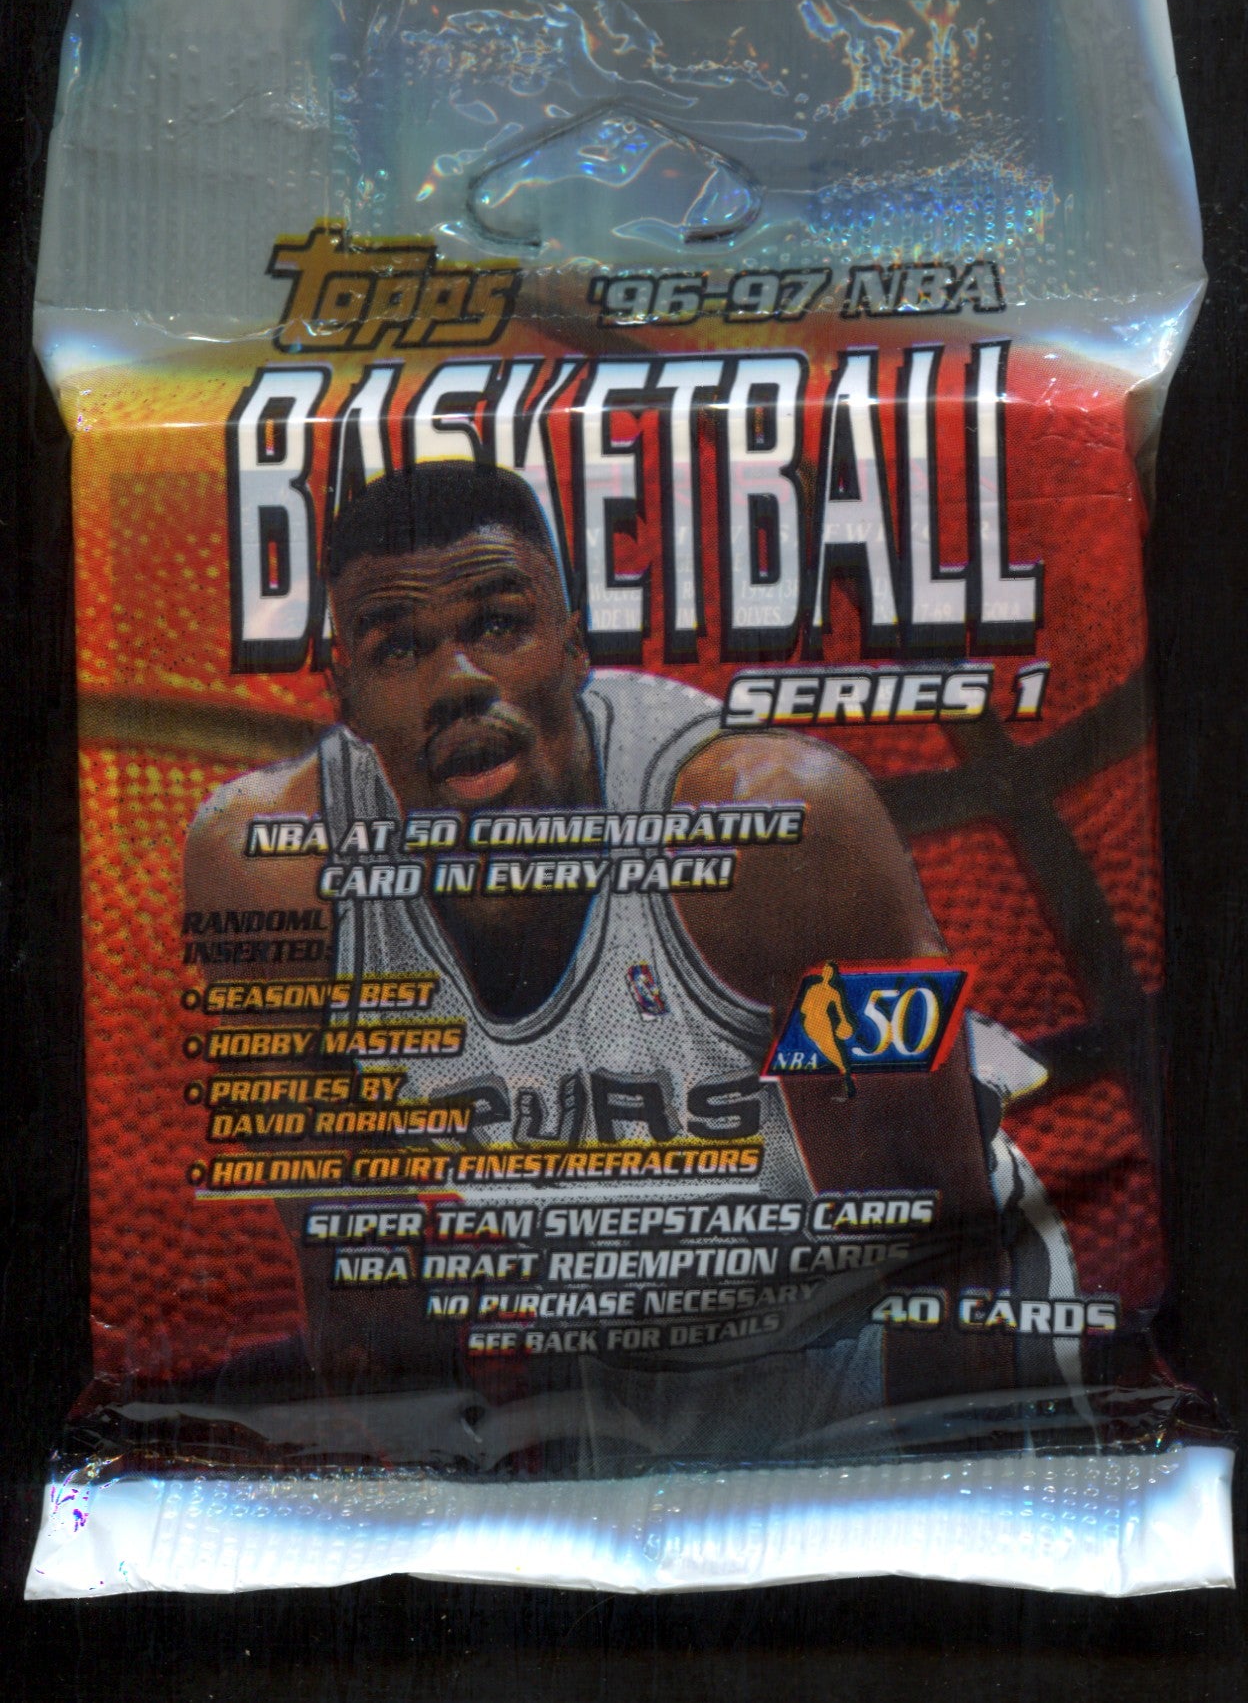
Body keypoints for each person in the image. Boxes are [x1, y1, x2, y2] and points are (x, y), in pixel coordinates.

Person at [185, 461, 1065, 1459]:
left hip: (872, 1336)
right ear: (344, 695)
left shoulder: (776, 829)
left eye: (499, 625)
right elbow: (358, 1293)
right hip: (604, 1358)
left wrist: (948, 1499)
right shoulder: (272, 871)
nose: (459, 680)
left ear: (574, 648)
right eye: (399, 648)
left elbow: (937, 1237)